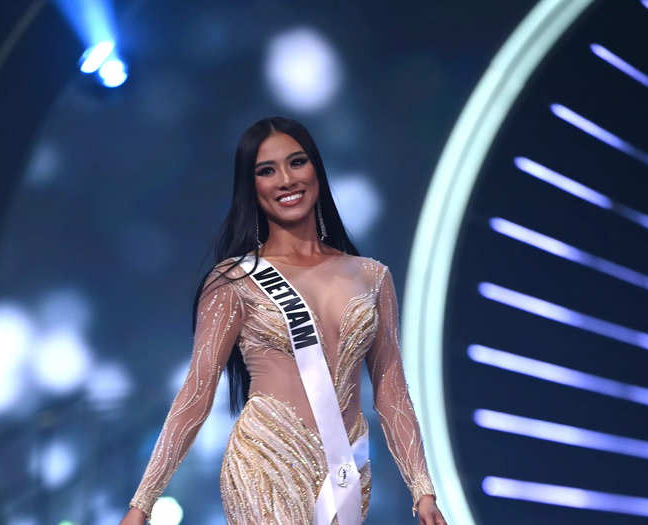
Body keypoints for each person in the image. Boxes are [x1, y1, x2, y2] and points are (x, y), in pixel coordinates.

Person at [119, 117, 447, 525]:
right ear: (251, 187)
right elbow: (198, 392)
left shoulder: (372, 277)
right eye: (266, 170)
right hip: (265, 459)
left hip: (344, 468)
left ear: (316, 171)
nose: (286, 180)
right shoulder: (235, 280)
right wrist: (143, 502)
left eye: (297, 163)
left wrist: (422, 489)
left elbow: (391, 390)